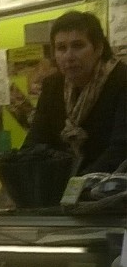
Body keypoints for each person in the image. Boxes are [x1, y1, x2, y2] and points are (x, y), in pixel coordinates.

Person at [24, 11, 126, 174]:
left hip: (112, 189)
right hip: (61, 186)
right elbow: (35, 142)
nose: (68, 56)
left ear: (98, 48)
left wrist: (76, 184)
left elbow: (121, 149)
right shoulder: (53, 86)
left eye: (78, 46)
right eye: (61, 48)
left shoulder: (121, 80)